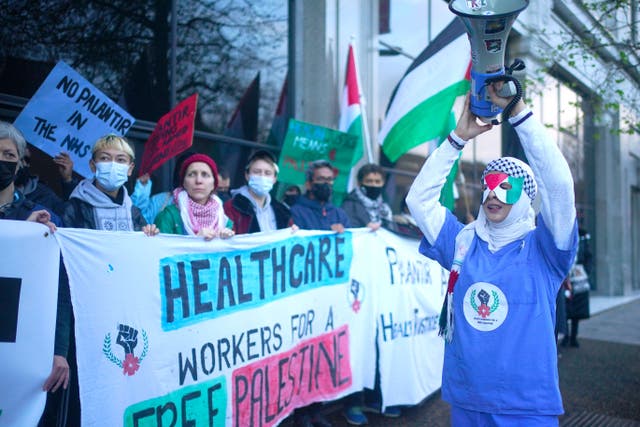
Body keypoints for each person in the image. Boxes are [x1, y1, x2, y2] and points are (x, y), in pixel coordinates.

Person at [406, 87, 578, 426]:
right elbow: (419, 202)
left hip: (527, 406)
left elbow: (558, 187)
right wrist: (457, 139)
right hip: (468, 401)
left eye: (507, 187)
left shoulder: (546, 250)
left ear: (527, 200)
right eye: (490, 184)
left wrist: (518, 113)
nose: (494, 193)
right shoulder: (463, 242)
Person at [0, 121, 70, 426]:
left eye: (8, 155)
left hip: (21, 355)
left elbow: (60, 292)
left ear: (19, 165)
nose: (1, 161)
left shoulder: (44, 220)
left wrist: (59, 351)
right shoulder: (28, 223)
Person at [290, 159, 350, 427]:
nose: (326, 184)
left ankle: (317, 407)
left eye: (329, 180)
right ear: (308, 183)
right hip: (305, 294)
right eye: (320, 180)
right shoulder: (297, 211)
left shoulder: (339, 213)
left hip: (331, 296)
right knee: (303, 353)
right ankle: (301, 411)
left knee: (323, 352)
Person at [339, 163, 400, 425]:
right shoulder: (349, 205)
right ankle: (353, 402)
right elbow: (349, 231)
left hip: (381, 281)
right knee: (359, 340)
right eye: (369, 180)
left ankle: (376, 396)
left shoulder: (385, 208)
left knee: (379, 338)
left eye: (378, 181)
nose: (374, 185)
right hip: (358, 283)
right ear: (360, 181)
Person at [154, 153, 234, 240]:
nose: (198, 180)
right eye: (192, 174)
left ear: (214, 184)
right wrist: (195, 242)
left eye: (205, 175)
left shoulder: (225, 222)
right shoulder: (168, 216)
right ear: (184, 183)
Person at [223, 150, 292, 234]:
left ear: (274, 178)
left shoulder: (283, 212)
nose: (262, 177)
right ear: (247, 175)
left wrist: (293, 233)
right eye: (256, 172)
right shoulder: (232, 208)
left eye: (267, 173)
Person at [14, 146, 67, 217]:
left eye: (25, 159)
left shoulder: (45, 195)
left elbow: (68, 218)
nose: (20, 163)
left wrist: (68, 181)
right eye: (10, 156)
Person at [341, 163, 392, 231]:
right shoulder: (350, 204)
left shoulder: (385, 205)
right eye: (369, 181)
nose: (373, 185)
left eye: (377, 182)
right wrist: (366, 228)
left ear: (383, 183)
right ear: (359, 183)